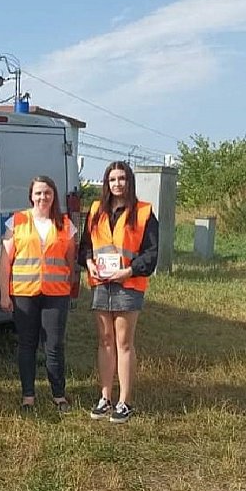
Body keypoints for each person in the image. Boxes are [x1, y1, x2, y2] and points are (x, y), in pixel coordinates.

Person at [80, 161, 159, 423]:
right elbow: (85, 247)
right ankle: (105, 397)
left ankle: (124, 401)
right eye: (112, 179)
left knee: (123, 343)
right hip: (101, 283)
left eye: (122, 179)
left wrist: (128, 271)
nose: (117, 184)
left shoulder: (144, 212)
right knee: (104, 341)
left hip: (128, 284)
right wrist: (89, 262)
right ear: (106, 183)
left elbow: (151, 254)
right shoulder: (95, 210)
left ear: (129, 181)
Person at [0, 176, 77, 413]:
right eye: (39, 193)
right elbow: (5, 262)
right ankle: (28, 396)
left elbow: (71, 261)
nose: (43, 197)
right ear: (31, 196)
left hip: (56, 294)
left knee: (54, 346)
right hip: (24, 294)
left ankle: (58, 395)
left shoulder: (66, 224)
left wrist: (73, 287)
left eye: (48, 193)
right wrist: (4, 293)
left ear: (54, 196)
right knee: (27, 345)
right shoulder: (17, 221)